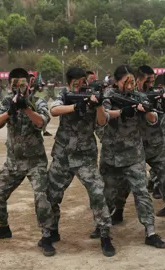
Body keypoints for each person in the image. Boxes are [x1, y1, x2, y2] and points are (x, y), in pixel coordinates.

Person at [0, 68, 56, 257]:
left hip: (35, 162)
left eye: (23, 83)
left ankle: (47, 236)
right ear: (10, 85)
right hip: (13, 162)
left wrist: (26, 108)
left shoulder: (38, 102)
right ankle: (3, 227)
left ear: (29, 84)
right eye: (16, 84)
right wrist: (11, 110)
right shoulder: (7, 101)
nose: (20, 87)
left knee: (42, 198)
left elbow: (42, 123)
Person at [110, 65, 165, 233]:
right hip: (131, 147)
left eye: (152, 81)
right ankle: (118, 211)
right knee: (124, 183)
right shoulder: (117, 96)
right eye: (147, 81)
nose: (150, 85)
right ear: (137, 79)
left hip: (155, 144)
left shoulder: (155, 95)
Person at [47, 67, 115, 257]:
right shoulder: (64, 94)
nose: (81, 86)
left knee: (97, 193)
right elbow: (54, 110)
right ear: (69, 83)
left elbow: (102, 122)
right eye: (76, 83)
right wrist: (76, 106)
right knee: (51, 195)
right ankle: (50, 233)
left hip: (85, 156)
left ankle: (105, 236)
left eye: (83, 82)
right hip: (63, 155)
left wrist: (98, 104)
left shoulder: (93, 95)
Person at [100, 65, 165, 248]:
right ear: (116, 81)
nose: (129, 86)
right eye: (125, 82)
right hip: (111, 155)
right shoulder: (107, 96)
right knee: (107, 195)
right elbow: (103, 116)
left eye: (131, 82)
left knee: (142, 193)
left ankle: (150, 231)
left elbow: (153, 119)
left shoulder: (139, 97)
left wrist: (146, 111)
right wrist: (122, 112)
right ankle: (103, 231)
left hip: (134, 154)